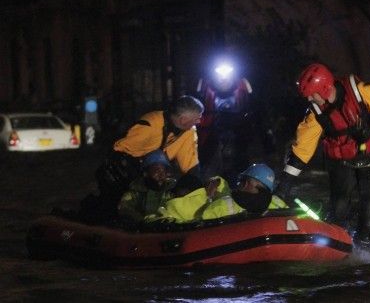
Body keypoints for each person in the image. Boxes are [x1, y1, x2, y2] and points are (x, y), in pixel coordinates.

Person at [275, 63, 370, 249]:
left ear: (325, 88)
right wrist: (283, 187)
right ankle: (335, 241)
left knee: (369, 198)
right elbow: (303, 149)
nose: (309, 98)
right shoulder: (316, 113)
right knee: (339, 202)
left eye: (312, 94)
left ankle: (365, 243)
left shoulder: (361, 92)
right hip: (342, 159)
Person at [81, 95, 204, 223]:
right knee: (115, 211)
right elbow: (118, 152)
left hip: (150, 176)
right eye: (197, 118)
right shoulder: (150, 125)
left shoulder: (188, 131)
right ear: (183, 119)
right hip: (123, 175)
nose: (199, 122)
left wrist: (198, 192)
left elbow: (191, 167)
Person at [196, 56, 275, 186]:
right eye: (219, 74)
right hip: (209, 144)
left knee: (238, 179)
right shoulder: (204, 88)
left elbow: (259, 115)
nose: (223, 78)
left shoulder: (244, 88)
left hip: (239, 143)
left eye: (227, 74)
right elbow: (192, 114)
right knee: (208, 179)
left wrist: (268, 144)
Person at [201, 163, 288, 220]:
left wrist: (209, 198)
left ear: (246, 183)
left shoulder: (220, 206)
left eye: (241, 181)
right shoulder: (279, 205)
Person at [118, 150, 176, 224]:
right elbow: (123, 208)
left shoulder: (172, 192)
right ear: (146, 173)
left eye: (163, 170)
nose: (161, 174)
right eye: (156, 170)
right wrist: (142, 220)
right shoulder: (135, 193)